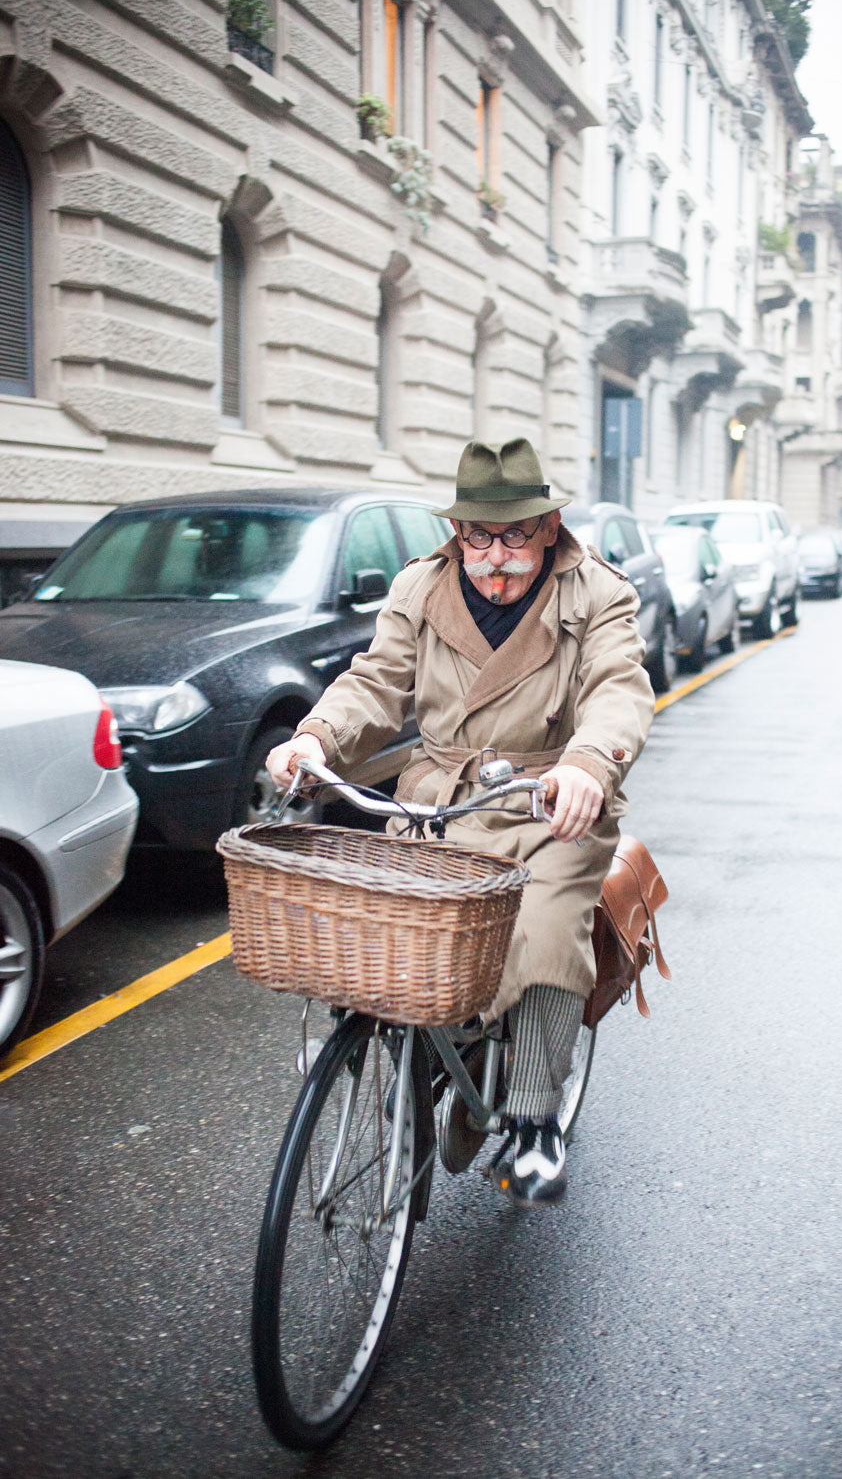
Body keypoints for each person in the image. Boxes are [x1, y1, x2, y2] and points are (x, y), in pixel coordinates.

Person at [266, 438, 654, 1206]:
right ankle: (432, 1051)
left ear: (549, 526)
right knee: (386, 928)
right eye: (480, 535)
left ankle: (535, 1121)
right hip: (438, 798)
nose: (496, 556)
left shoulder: (597, 592)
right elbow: (376, 683)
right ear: (457, 532)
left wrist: (588, 765)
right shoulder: (419, 585)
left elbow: (618, 686)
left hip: (549, 800)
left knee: (546, 928)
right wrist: (316, 738)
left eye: (515, 535)